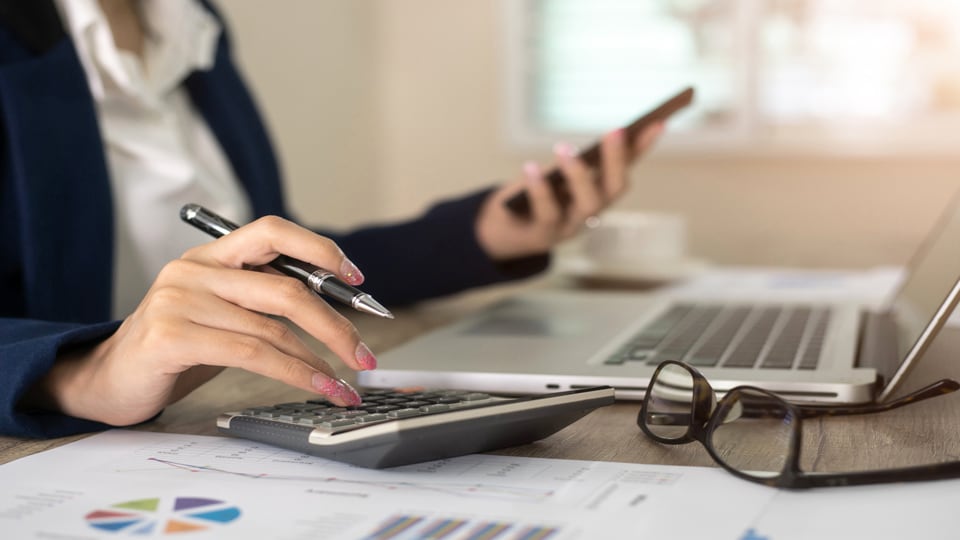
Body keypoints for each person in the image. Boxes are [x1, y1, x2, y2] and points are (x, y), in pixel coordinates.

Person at [0, 0, 663, 438]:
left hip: (212, 415)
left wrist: (482, 233)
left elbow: (281, 261)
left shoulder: (192, 25)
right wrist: (82, 371)